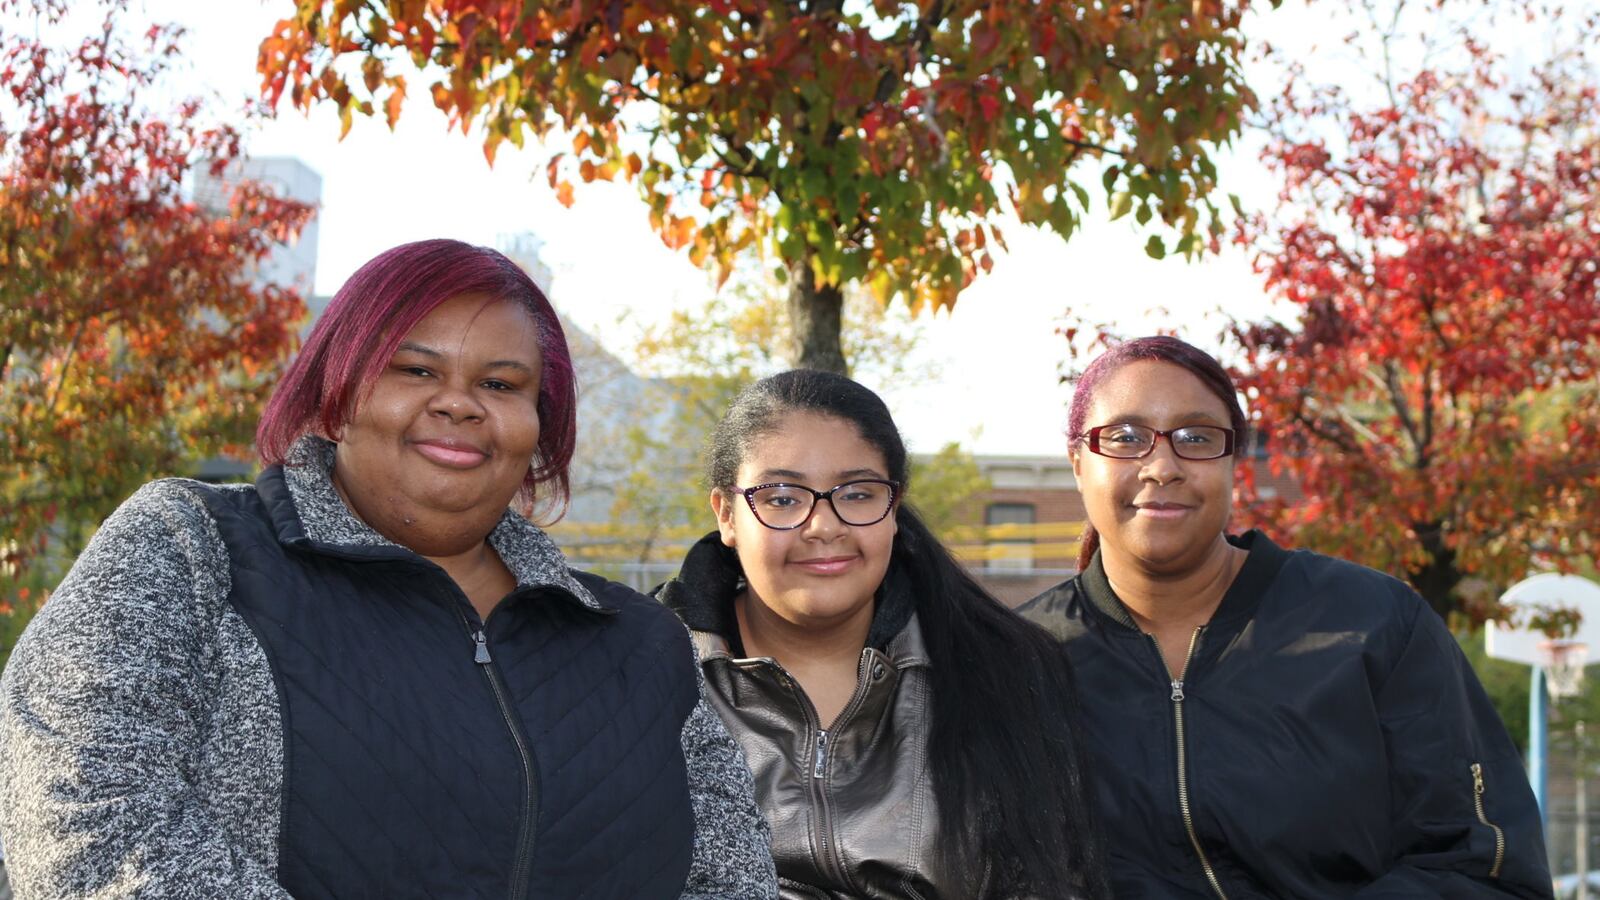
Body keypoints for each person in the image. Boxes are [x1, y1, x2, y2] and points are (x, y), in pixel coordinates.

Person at [0, 239, 777, 899]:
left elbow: (733, 878)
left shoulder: (641, 641)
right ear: (336, 399)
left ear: (538, 433)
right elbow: (78, 823)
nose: (459, 404)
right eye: (415, 371)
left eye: (500, 385)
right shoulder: (192, 548)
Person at [1017, 335, 1552, 898]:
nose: (1162, 466)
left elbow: (1486, 867)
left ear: (1234, 464)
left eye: (1197, 438)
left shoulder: (1374, 623)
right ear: (1079, 463)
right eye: (1126, 438)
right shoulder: (1020, 662)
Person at [656, 369, 1111, 899]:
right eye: (781, 497)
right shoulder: (643, 674)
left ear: (894, 507)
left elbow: (1056, 881)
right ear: (726, 514)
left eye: (856, 494)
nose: (823, 526)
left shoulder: (1004, 671)